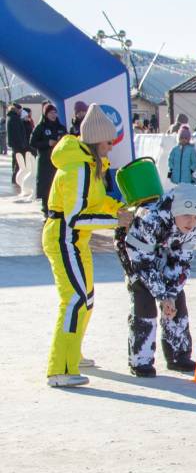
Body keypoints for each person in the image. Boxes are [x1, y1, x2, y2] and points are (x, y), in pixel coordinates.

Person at [42, 104, 133, 387]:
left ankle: (72, 354)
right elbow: (76, 217)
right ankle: (60, 368)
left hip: (76, 241)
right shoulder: (79, 166)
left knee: (86, 299)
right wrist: (115, 220)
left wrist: (119, 207)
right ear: (96, 139)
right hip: (64, 238)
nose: (111, 146)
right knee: (74, 300)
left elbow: (96, 201)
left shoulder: (90, 164)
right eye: (108, 141)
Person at [115, 183, 196, 377]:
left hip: (165, 251)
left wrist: (170, 294)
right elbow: (142, 263)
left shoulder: (194, 228)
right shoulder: (149, 220)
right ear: (175, 211)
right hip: (135, 253)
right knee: (143, 299)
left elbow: (182, 261)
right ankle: (141, 360)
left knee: (177, 301)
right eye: (187, 215)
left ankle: (178, 355)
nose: (191, 222)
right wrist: (161, 295)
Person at [30, 103, 68, 216]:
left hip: (59, 162)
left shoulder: (61, 127)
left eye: (55, 112)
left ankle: (58, 208)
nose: (53, 115)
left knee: (57, 185)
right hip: (45, 162)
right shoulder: (40, 127)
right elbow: (32, 142)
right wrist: (47, 143)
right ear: (46, 114)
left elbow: (68, 140)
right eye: (51, 112)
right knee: (46, 185)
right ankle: (46, 210)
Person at [6, 103, 30, 185]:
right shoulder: (15, 119)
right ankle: (16, 179)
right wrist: (22, 143)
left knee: (16, 161)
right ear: (16, 110)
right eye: (20, 110)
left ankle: (15, 178)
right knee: (19, 162)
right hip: (18, 144)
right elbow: (17, 133)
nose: (21, 112)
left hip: (15, 144)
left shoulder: (11, 118)